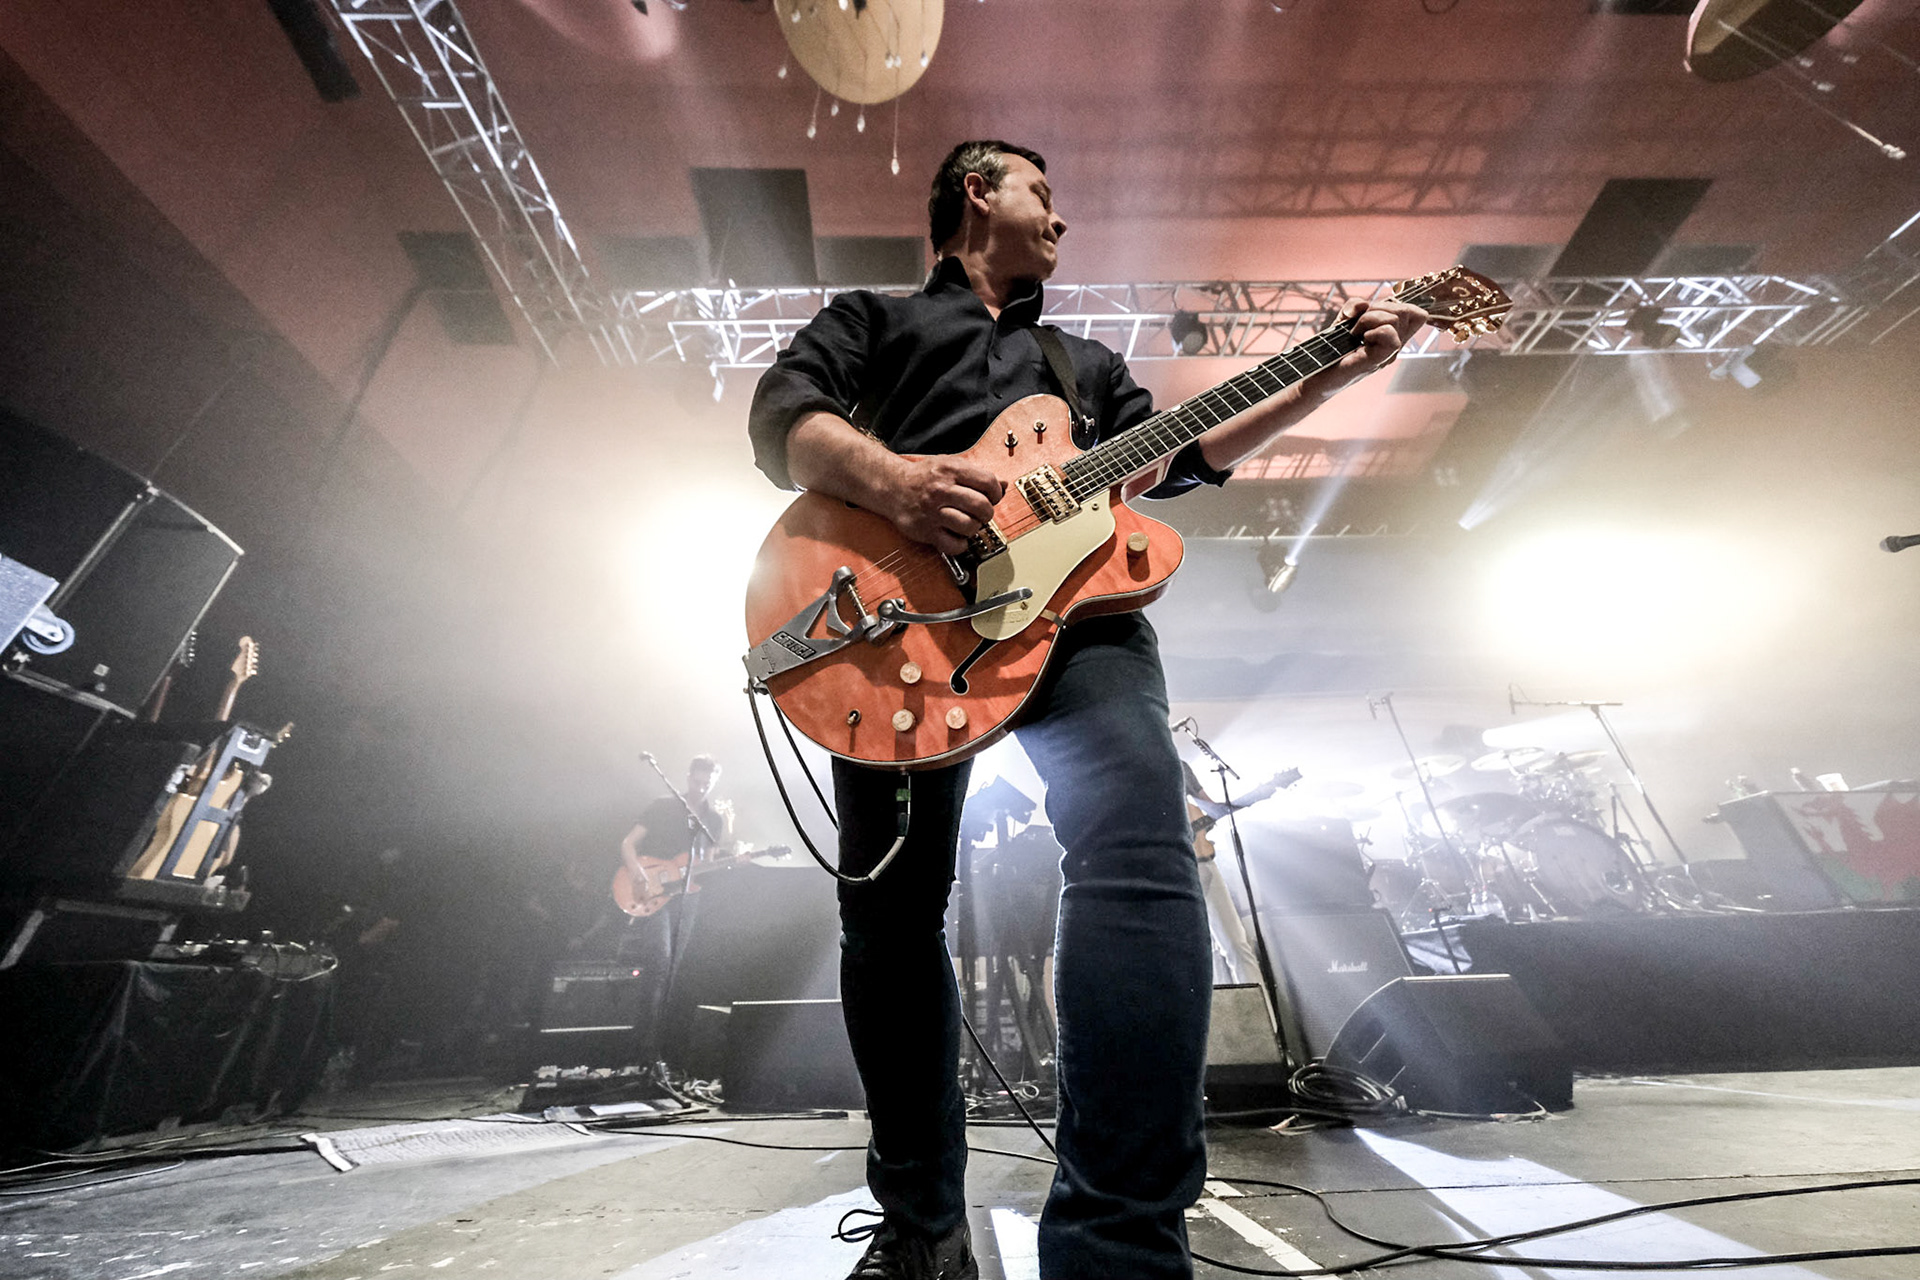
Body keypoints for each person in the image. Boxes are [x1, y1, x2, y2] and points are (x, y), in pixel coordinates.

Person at [747, 140, 1424, 1280]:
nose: (1060, 218)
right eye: (1041, 194)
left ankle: (1118, 1242)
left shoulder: (1084, 362)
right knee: (892, 915)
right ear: (975, 192)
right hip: (900, 630)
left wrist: (1326, 375)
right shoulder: (874, 318)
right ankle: (920, 1226)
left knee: (1142, 845)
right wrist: (900, 481)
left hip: (1078, 625)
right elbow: (786, 415)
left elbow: (1186, 457)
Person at [617, 754, 733, 1068]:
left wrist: (734, 861)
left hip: (686, 898)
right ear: (688, 776)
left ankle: (654, 1053)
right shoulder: (663, 806)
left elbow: (706, 865)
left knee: (670, 973)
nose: (702, 785)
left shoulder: (714, 820)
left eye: (707, 781)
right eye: (697, 779)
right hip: (652, 889)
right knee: (659, 961)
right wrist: (637, 871)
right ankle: (640, 1050)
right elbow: (627, 844)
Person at [1181, 760, 1264, 987]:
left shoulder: (1180, 767)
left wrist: (1256, 795)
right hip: (1172, 871)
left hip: (1205, 863)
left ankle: (1258, 1015)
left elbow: (1212, 809)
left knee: (1236, 944)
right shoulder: (1133, 765)